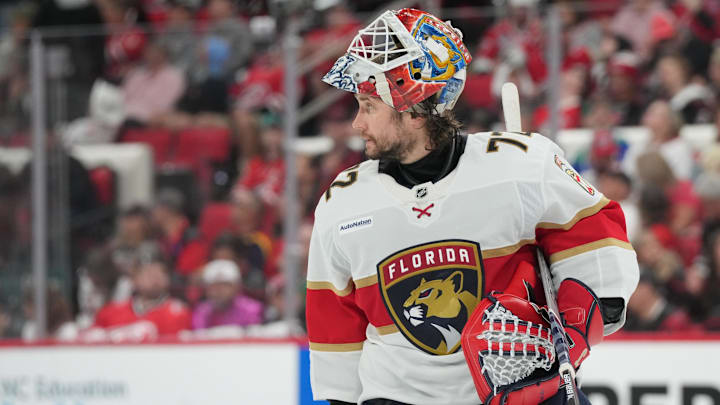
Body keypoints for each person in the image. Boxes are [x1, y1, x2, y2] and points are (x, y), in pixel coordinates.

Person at [306, 8, 639, 405]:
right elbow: (334, 335)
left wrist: (573, 331)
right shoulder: (342, 203)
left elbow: (601, 250)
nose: (357, 124)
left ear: (413, 109)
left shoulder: (520, 165)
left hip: (523, 390)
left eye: (369, 105)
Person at [191, 259, 263, 330]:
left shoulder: (251, 309)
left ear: (237, 287)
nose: (219, 290)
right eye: (214, 285)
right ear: (206, 289)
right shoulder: (201, 311)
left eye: (225, 285)